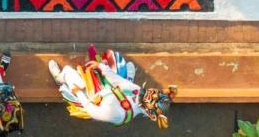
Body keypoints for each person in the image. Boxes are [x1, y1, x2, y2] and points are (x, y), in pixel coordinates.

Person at [47, 45, 176, 128]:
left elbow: (91, 109)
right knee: (121, 71)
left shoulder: (118, 114)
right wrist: (101, 67)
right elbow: (118, 81)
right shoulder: (138, 92)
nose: (151, 92)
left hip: (92, 99)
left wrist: (79, 92)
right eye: (154, 92)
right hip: (108, 91)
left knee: (70, 73)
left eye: (153, 97)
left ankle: (60, 78)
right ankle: (126, 77)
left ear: (150, 113)